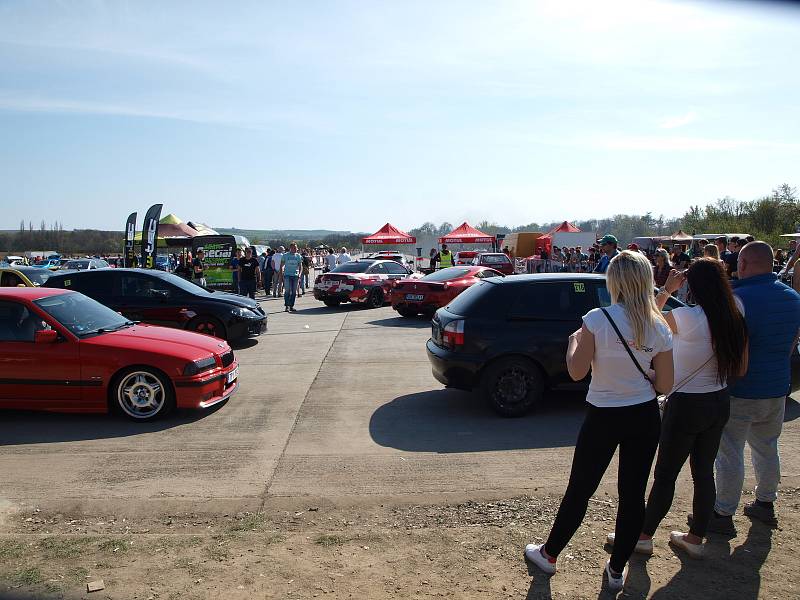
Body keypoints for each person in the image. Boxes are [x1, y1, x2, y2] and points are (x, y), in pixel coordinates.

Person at [525, 250, 673, 592]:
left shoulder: (596, 318)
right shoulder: (659, 325)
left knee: (581, 490)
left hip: (604, 415)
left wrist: (573, 342)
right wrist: (647, 374)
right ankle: (617, 569)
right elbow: (665, 385)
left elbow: (576, 372)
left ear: (614, 281)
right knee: (632, 495)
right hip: (643, 415)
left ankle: (549, 554)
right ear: (647, 281)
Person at [613, 259, 747, 559]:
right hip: (719, 398)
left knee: (666, 474)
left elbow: (648, 322)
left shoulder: (686, 317)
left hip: (687, 403)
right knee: (703, 472)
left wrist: (666, 289)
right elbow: (741, 364)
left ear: (692, 285)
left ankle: (643, 537)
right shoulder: (735, 309)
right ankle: (696, 537)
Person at [706, 241, 800, 535]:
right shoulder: (793, 298)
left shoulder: (736, 299)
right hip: (776, 387)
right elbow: (792, 343)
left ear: (743, 265)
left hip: (740, 388)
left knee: (730, 453)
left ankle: (723, 513)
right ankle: (765, 502)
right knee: (767, 447)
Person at [281, 243, 303, 312]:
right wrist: (281, 273)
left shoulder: (298, 256)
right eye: (294, 248)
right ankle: (287, 305)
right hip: (287, 275)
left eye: (296, 248)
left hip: (295, 275)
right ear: (291, 248)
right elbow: (281, 265)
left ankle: (291, 306)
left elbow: (300, 266)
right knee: (287, 291)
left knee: (294, 292)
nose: (296, 249)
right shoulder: (285, 255)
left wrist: (299, 274)